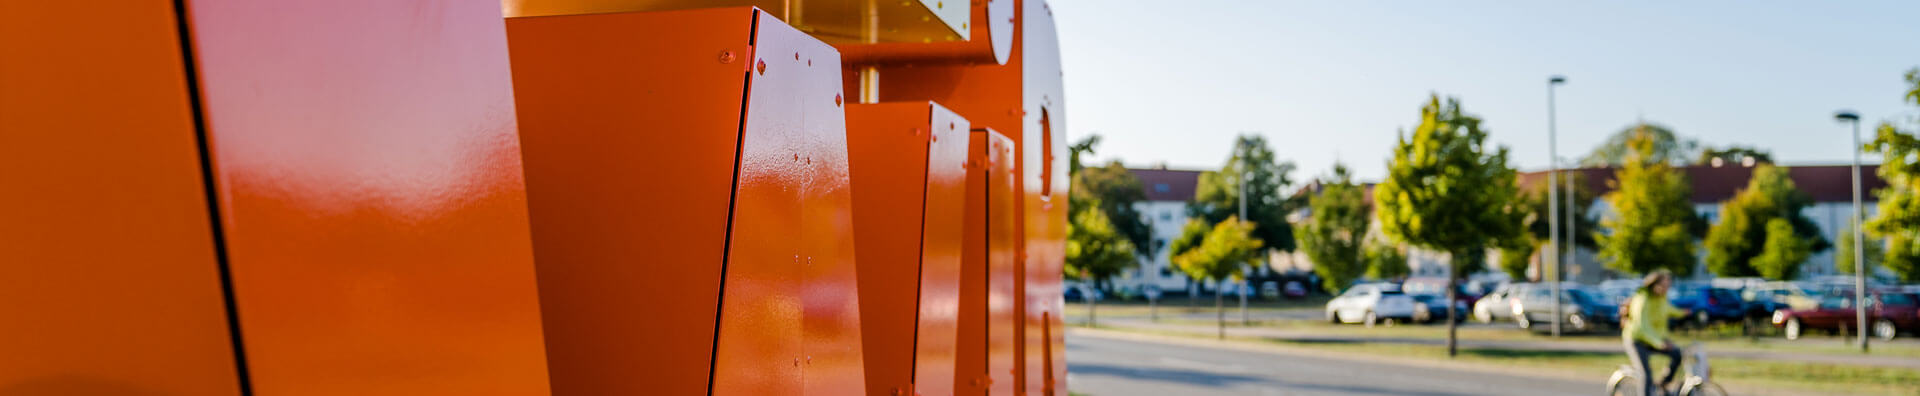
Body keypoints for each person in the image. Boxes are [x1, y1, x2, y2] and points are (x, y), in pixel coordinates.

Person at [1622, 269, 1689, 396]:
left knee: (1677, 354)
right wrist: (1659, 343)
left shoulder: (1661, 297)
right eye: (1663, 286)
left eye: (1668, 286)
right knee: (1646, 374)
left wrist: (1683, 313)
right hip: (1637, 340)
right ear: (1653, 285)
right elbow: (1642, 326)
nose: (1666, 289)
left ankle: (1663, 384)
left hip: (1654, 339)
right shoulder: (1642, 299)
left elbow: (1668, 310)